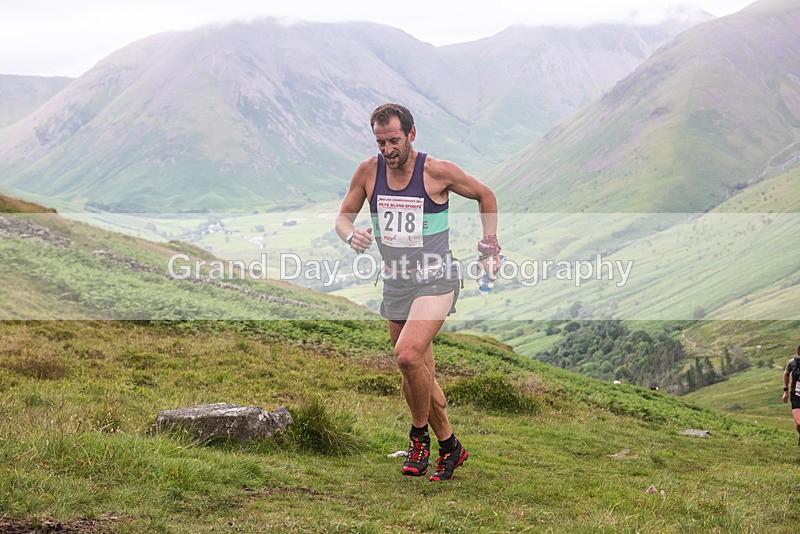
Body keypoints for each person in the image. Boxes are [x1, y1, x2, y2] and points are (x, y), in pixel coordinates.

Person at [335, 103, 501, 481]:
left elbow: (485, 195)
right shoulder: (367, 171)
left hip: (436, 279)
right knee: (418, 370)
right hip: (396, 281)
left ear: (411, 134)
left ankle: (418, 438)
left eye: (394, 140)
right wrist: (350, 234)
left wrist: (490, 245)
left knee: (408, 356)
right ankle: (451, 446)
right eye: (380, 142)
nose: (387, 149)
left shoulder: (436, 172)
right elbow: (343, 216)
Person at [782, 345, 800, 445]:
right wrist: (785, 391)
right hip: (796, 395)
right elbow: (786, 373)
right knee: (799, 423)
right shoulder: (793, 363)